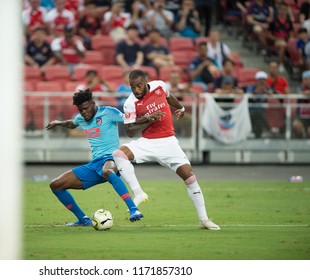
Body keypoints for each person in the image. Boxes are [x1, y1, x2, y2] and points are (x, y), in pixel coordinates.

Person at [112, 69, 220, 230]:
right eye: (132, 87)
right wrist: (147, 120)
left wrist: (181, 108)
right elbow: (129, 131)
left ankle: (203, 219)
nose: (136, 90)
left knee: (190, 179)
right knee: (119, 154)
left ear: (146, 82)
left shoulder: (159, 86)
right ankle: (138, 193)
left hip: (169, 143)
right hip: (148, 143)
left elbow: (169, 97)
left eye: (139, 86)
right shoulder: (130, 103)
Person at [45, 89, 144, 226]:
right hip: (94, 166)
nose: (83, 112)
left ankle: (134, 209)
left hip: (111, 159)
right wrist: (58, 123)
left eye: (86, 108)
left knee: (107, 170)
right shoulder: (81, 118)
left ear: (93, 103)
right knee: (56, 185)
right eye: (81, 110)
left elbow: (129, 119)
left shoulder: (109, 112)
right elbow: (72, 124)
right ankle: (83, 220)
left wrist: (148, 118)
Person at [246, 71, 273, 138]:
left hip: (262, 112)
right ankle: (269, 129)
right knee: (257, 114)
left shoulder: (267, 88)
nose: (262, 82)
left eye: (264, 80)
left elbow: (272, 93)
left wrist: (266, 92)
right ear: (256, 81)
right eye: (260, 80)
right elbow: (248, 96)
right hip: (251, 111)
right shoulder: (251, 87)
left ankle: (258, 134)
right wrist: (256, 92)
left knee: (258, 118)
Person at [292, 70, 310, 138]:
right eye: (305, 79)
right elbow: (299, 93)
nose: (306, 81)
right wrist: (305, 93)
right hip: (301, 116)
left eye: (308, 79)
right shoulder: (299, 88)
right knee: (296, 125)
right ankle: (300, 143)